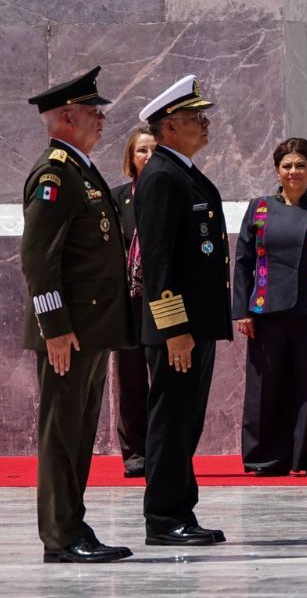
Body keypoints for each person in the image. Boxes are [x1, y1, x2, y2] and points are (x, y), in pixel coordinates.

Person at [20, 66, 136, 563]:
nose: (103, 120)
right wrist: (57, 329)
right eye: (94, 112)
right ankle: (61, 536)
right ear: (66, 117)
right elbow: (39, 260)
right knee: (62, 432)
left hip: (91, 328)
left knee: (80, 431)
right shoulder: (54, 175)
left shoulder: (81, 170)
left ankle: (73, 524)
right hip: (69, 332)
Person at [135, 74, 232, 546]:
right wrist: (174, 329)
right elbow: (157, 260)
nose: (206, 124)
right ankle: (163, 518)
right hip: (178, 330)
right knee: (171, 421)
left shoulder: (185, 171)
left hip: (198, 325)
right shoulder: (159, 176)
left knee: (186, 422)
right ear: (169, 127)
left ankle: (181, 510)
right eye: (196, 118)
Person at [232, 137, 307, 477]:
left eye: (300, 165)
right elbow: (243, 262)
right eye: (287, 166)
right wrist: (241, 310)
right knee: (264, 389)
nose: (293, 172)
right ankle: (264, 458)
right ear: (277, 170)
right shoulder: (259, 209)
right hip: (266, 312)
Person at [111, 126, 156, 479]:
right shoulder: (117, 199)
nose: (148, 156)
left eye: (155, 150)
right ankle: (135, 452)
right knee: (131, 380)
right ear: (131, 158)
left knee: (166, 376)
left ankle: (164, 446)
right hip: (128, 302)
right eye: (142, 150)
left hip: (163, 301)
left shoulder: (175, 194)